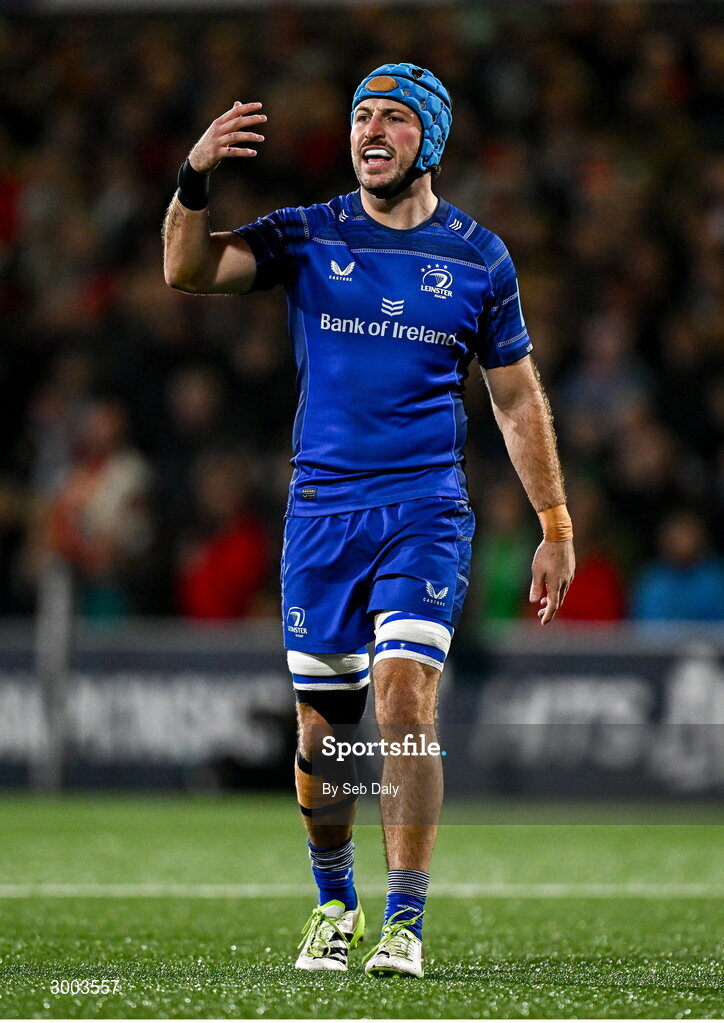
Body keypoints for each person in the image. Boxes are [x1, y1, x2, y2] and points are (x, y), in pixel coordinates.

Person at [163, 63, 575, 979]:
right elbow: (186, 268)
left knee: (402, 696)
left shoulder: (479, 257)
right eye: (360, 117)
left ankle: (405, 919)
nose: (369, 132)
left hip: (424, 510)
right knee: (324, 734)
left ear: (430, 138)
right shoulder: (309, 234)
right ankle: (334, 903)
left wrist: (554, 518)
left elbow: (514, 397)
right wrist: (194, 175)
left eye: (392, 118)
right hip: (321, 515)